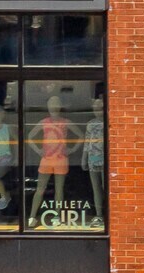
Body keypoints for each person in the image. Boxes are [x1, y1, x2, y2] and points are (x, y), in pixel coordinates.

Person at [26, 94, 74, 227]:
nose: (54, 104)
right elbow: (29, 136)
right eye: (51, 102)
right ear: (47, 105)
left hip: (60, 159)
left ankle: (57, 215)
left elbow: (81, 136)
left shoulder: (66, 122)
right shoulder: (44, 122)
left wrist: (71, 149)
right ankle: (32, 216)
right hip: (46, 159)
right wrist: (38, 150)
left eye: (56, 102)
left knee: (59, 189)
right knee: (40, 188)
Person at [83, 95, 107, 225]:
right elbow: (87, 142)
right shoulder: (90, 124)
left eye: (100, 108)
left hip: (105, 159)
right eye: (95, 108)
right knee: (96, 187)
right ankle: (99, 214)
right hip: (93, 159)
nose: (98, 111)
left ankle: (108, 213)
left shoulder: (108, 122)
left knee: (105, 186)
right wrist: (84, 158)